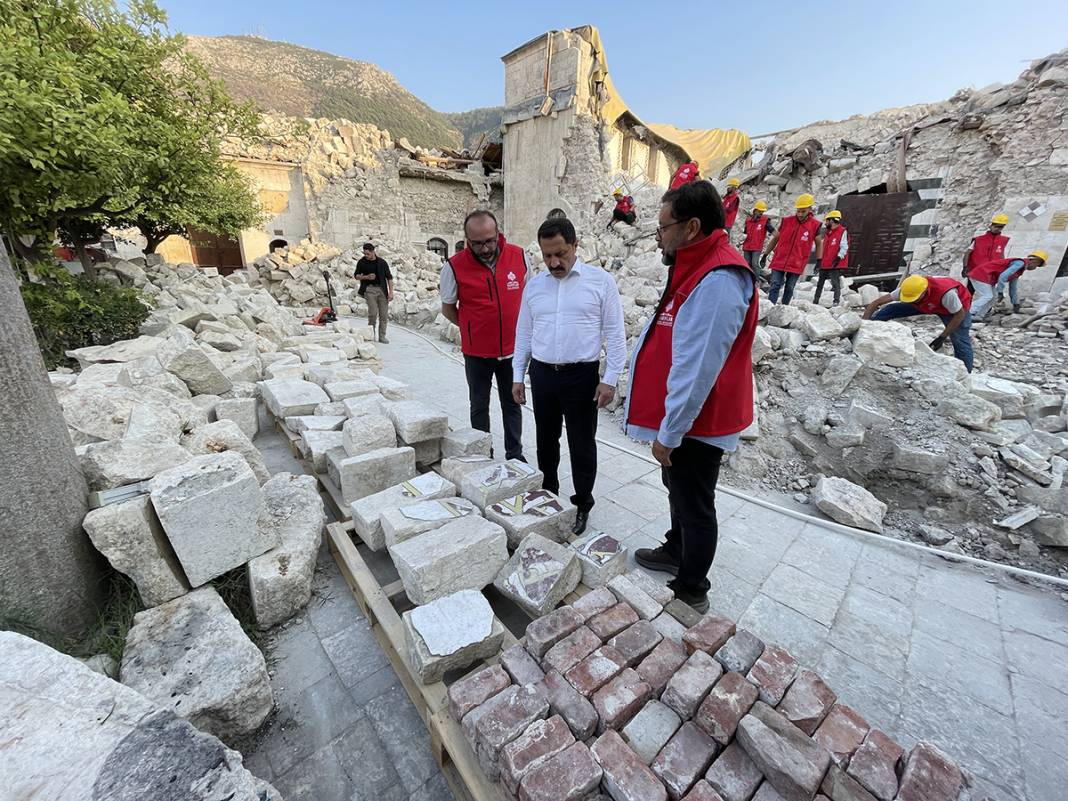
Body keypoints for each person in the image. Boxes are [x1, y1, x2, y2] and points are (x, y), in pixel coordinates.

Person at [626, 181, 759, 613]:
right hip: (687, 420)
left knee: (696, 502)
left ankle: (691, 589)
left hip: (699, 421)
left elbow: (698, 367)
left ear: (693, 226)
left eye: (664, 227)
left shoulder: (720, 280)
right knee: (677, 491)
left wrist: (670, 431)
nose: (659, 236)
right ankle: (675, 549)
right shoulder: (695, 265)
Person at [512, 216, 626, 537]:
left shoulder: (600, 282)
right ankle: (548, 495)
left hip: (582, 377)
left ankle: (582, 504)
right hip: (544, 374)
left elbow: (616, 334)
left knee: (581, 444)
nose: (554, 262)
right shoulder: (535, 286)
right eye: (547, 255)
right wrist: (517, 375)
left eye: (560, 253)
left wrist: (611, 378)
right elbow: (524, 332)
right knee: (546, 441)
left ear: (576, 246)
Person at [440, 210, 529, 460]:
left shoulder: (519, 256)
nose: (486, 248)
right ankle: (482, 453)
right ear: (467, 240)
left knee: (512, 403)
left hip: (512, 351)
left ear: (498, 233)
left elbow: (528, 299)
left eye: (490, 240)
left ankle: (515, 453)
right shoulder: (454, 266)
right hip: (476, 354)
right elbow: (448, 308)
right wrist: (471, 328)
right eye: (477, 243)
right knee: (479, 405)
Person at [862, 274, 975, 371]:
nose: (911, 300)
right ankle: (870, 331)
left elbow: (959, 315)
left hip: (954, 310)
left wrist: (942, 337)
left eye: (913, 298)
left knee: (960, 340)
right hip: (926, 304)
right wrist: (863, 326)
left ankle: (965, 373)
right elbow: (875, 303)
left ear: (924, 291)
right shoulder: (910, 290)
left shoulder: (947, 294)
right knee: (890, 309)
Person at [760, 194, 823, 305]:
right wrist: (765, 254)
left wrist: (819, 261)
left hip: (797, 262)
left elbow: (819, 244)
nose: (799, 214)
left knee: (789, 287)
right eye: (798, 211)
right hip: (780, 259)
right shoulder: (787, 221)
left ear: (810, 209)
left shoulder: (815, 225)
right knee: (775, 284)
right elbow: (776, 238)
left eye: (803, 211)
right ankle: (770, 309)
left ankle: (784, 309)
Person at [968, 251, 1047, 319]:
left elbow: (1013, 288)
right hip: (981, 274)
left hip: (987, 278)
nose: (1035, 268)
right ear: (1035, 261)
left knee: (994, 297)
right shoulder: (1020, 263)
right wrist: (1000, 291)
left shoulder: (1019, 270)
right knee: (987, 296)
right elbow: (1003, 276)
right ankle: (968, 313)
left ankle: (979, 316)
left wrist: (1015, 303)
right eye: (1037, 265)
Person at [354, 243, 393, 343]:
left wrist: (391, 292)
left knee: (384, 315)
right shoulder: (361, 262)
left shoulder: (382, 262)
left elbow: (389, 278)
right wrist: (366, 277)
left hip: (382, 290)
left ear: (373, 252)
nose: (366, 256)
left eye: (368, 254)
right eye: (364, 254)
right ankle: (371, 335)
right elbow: (356, 276)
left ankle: (382, 336)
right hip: (369, 290)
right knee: (373, 313)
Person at [813, 210, 849, 306]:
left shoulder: (842, 231)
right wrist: (818, 262)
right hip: (824, 263)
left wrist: (838, 257)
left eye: (827, 220)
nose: (826, 223)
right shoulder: (827, 232)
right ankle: (815, 301)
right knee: (819, 284)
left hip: (834, 263)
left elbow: (844, 246)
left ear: (832, 220)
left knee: (835, 283)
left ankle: (836, 302)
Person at [963, 213, 1010, 279]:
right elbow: (968, 253)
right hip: (976, 271)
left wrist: (1003, 267)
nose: (997, 228)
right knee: (971, 289)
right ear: (990, 226)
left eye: (1000, 227)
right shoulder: (978, 240)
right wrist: (965, 267)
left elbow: (1001, 254)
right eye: (995, 226)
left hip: (992, 272)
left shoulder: (1003, 240)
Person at [741, 201, 774, 281]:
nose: (761, 213)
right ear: (755, 210)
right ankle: (746, 280)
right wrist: (741, 240)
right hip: (747, 246)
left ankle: (756, 281)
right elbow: (745, 233)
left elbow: (773, 232)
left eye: (762, 211)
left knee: (754, 264)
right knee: (747, 264)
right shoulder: (748, 221)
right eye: (759, 211)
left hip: (757, 247)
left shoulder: (765, 221)